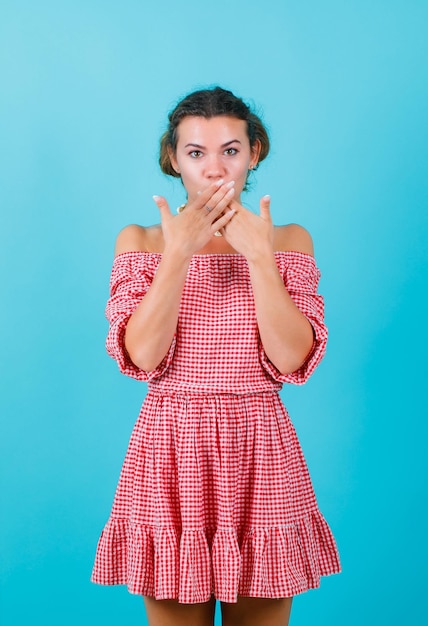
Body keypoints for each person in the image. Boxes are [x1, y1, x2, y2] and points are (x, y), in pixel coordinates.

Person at [91, 86, 341, 626]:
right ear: (173, 160)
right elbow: (142, 356)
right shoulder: (140, 241)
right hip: (170, 450)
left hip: (260, 450)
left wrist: (259, 256)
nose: (214, 169)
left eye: (230, 150)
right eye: (196, 153)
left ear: (254, 153)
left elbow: (294, 360)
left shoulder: (289, 240)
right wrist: (177, 253)